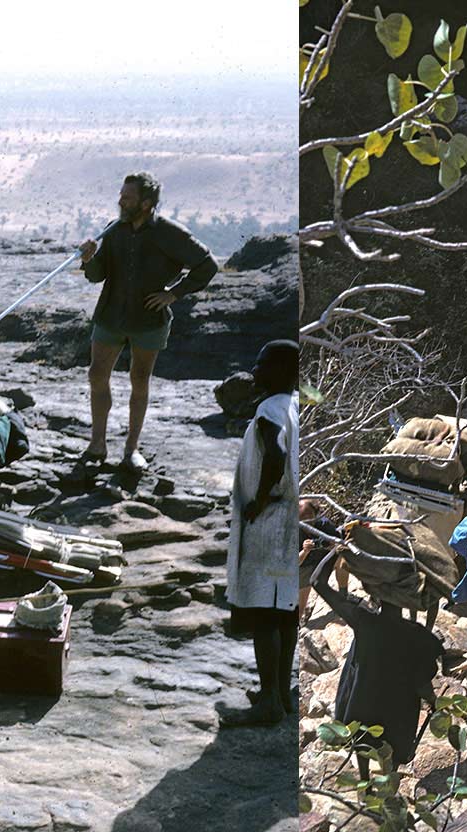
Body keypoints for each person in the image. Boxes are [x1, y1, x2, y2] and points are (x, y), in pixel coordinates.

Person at [77, 171, 218, 471]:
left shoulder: (170, 233)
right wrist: (89, 259)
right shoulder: (113, 230)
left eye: (127, 197)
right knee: (96, 374)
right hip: (110, 315)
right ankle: (97, 444)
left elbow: (207, 265)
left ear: (146, 203)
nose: (120, 201)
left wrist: (174, 294)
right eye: (121, 195)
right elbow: (96, 275)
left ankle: (131, 450)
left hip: (149, 320)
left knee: (139, 380)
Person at [221, 340, 301, 725]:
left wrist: (261, 500)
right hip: (288, 523)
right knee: (284, 609)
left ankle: (269, 699)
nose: (256, 370)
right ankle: (282, 693)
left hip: (270, 521)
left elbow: (276, 455)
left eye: (263, 364)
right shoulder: (295, 407)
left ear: (282, 371)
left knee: (266, 612)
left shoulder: (269, 409)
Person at [305, 550, 443, 770]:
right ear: (407, 601)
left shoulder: (363, 622)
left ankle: (365, 785)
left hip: (362, 706)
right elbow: (421, 684)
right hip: (398, 715)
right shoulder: (417, 635)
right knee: (393, 755)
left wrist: (337, 547)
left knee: (362, 743)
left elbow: (317, 581)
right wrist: (436, 703)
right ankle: (387, 791)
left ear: (374, 596)